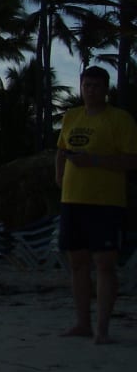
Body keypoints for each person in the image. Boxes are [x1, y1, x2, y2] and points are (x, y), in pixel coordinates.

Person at [55, 66, 137, 344]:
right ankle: (82, 323)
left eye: (96, 86)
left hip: (106, 202)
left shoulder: (119, 119)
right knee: (77, 263)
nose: (91, 91)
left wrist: (95, 161)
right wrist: (60, 175)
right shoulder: (71, 116)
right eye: (87, 86)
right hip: (73, 199)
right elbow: (61, 150)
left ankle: (102, 328)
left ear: (106, 89)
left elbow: (130, 160)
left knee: (104, 263)